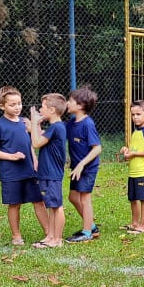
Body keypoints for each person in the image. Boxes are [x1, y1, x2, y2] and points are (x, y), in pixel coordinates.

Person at [0, 86, 47, 246]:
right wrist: (11, 157)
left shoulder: (24, 123)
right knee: (14, 204)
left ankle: (49, 233)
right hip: (11, 173)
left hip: (30, 171)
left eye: (19, 103)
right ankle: (16, 236)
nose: (17, 107)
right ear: (2, 106)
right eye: (12, 104)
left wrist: (35, 160)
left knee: (39, 201)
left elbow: (29, 143)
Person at [29, 93, 68, 248]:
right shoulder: (54, 127)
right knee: (52, 205)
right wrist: (36, 125)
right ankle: (50, 236)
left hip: (52, 173)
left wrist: (33, 122)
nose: (40, 110)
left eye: (43, 107)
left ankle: (57, 239)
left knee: (57, 206)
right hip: (48, 172)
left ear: (52, 110)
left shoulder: (56, 127)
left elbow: (36, 143)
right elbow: (40, 138)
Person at [65, 85, 102, 243]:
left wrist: (81, 164)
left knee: (85, 198)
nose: (67, 103)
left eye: (70, 101)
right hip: (76, 168)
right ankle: (92, 226)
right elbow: (56, 132)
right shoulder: (71, 123)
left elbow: (97, 148)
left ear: (80, 105)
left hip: (87, 169)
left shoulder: (87, 124)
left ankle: (87, 232)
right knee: (73, 197)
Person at [120, 100, 144, 234]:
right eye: (133, 115)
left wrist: (135, 154)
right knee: (133, 199)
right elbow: (134, 149)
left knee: (143, 199)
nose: (135, 117)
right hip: (133, 172)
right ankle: (135, 223)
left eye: (138, 114)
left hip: (142, 172)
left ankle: (143, 226)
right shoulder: (136, 131)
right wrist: (127, 150)